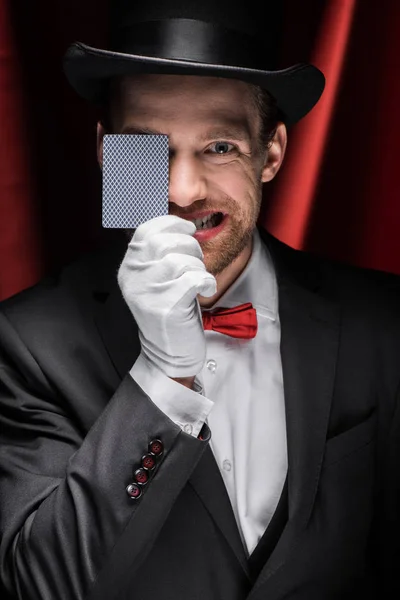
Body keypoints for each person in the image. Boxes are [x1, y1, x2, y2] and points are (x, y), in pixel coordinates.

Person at [0, 1, 399, 599]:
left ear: (270, 154)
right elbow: (44, 586)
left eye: (218, 147)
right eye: (145, 147)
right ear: (110, 151)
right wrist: (162, 377)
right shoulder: (26, 340)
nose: (182, 191)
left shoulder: (383, 322)